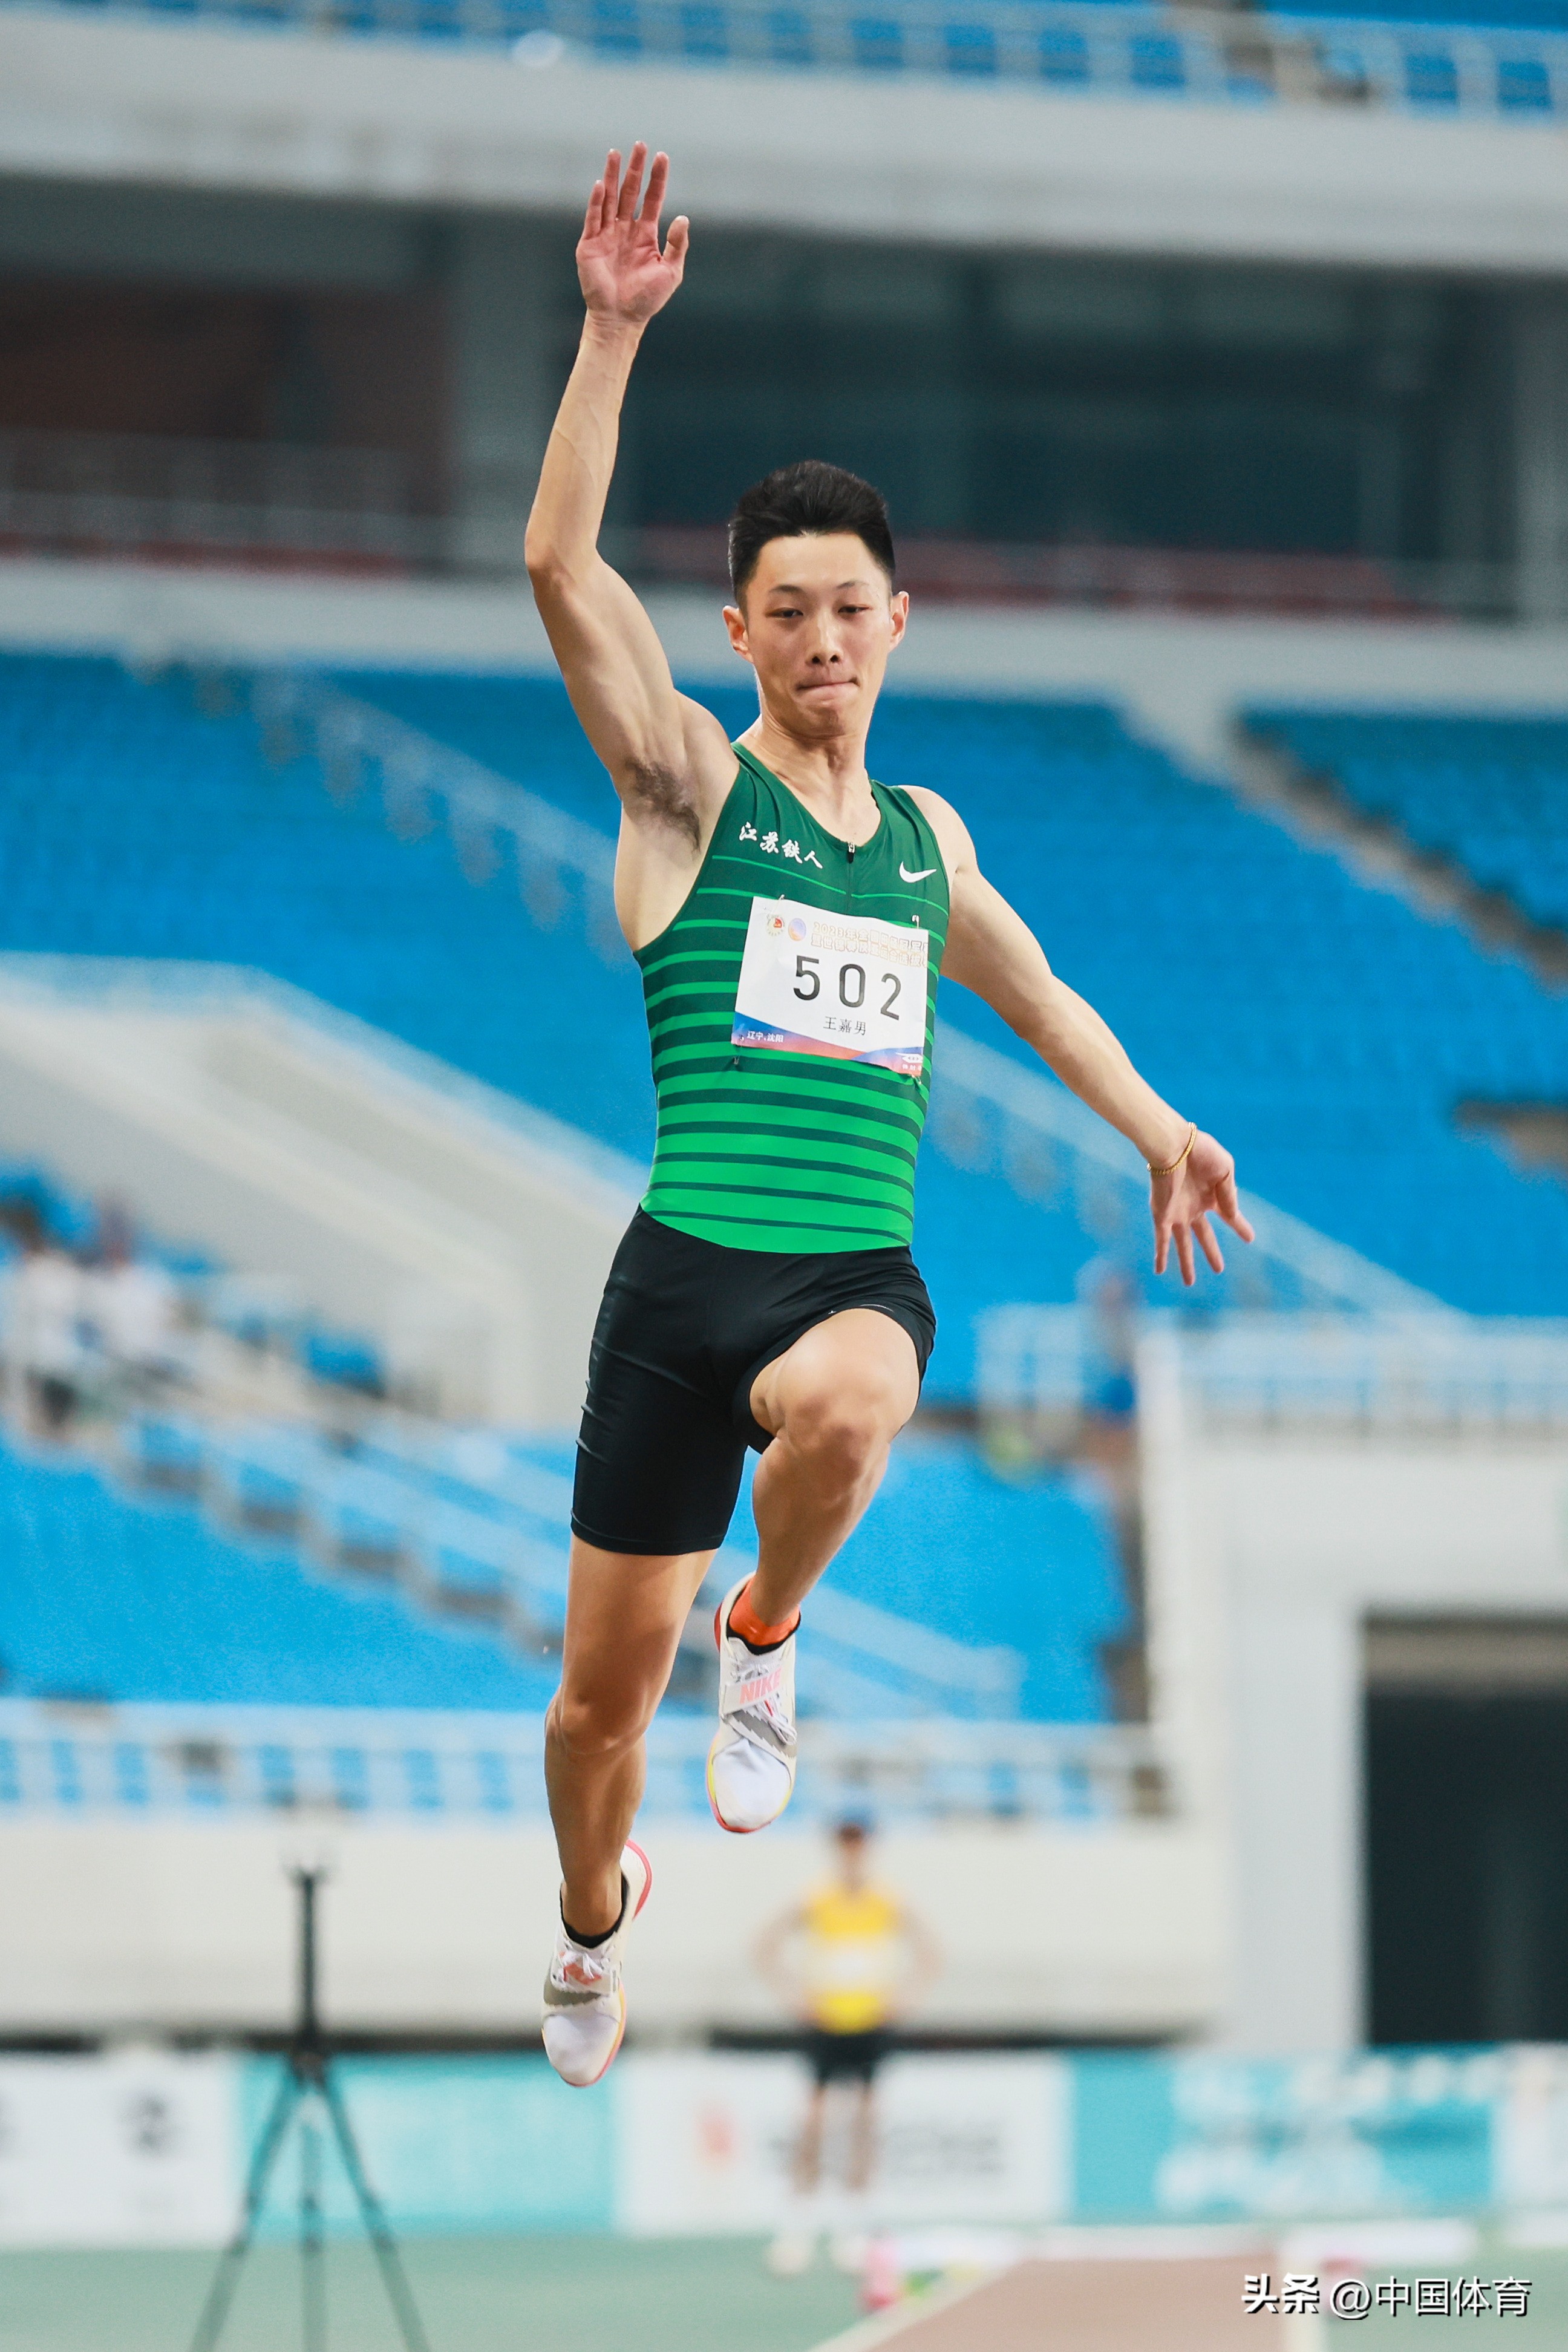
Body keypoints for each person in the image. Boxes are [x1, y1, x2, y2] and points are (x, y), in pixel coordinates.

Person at [526, 142, 1253, 2088]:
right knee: (598, 1718)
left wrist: (1155, 1122)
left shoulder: (927, 844)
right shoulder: (686, 791)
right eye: (788, 611)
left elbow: (1035, 990)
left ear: (901, 624)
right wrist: (609, 338)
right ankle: (595, 1927)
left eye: (855, 608)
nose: (825, 638)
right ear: (746, 635)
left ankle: (770, 1629)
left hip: (848, 1268)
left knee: (861, 1401)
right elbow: (556, 570)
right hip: (680, 1286)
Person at [756, 1817, 939, 2275]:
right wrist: (793, 1996)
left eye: (859, 1845)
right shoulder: (817, 1897)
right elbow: (766, 1945)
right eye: (846, 1845)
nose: (853, 1854)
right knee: (813, 2125)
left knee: (863, 2124)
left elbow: (930, 1950)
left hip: (869, 2022)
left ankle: (852, 2230)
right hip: (827, 2022)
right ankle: (796, 2228)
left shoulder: (886, 1899)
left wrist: (905, 1997)